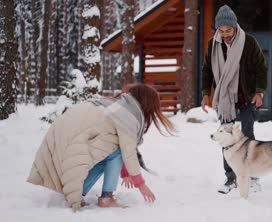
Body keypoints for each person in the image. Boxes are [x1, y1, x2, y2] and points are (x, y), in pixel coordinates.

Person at [27, 83, 176, 211]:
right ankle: (107, 198)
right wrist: (141, 185)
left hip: (61, 137)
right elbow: (126, 151)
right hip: (72, 139)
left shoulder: (114, 106)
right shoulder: (127, 116)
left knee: (110, 152)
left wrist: (125, 173)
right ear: (147, 104)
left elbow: (117, 143)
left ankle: (79, 190)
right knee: (116, 151)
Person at [201, 5, 268, 194]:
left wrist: (258, 92)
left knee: (247, 135)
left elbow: (261, 69)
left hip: (246, 95)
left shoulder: (248, 42)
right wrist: (206, 93)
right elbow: (207, 70)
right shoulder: (212, 44)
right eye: (220, 31)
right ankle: (230, 178)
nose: (224, 34)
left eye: (228, 30)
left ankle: (252, 176)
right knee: (225, 138)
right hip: (224, 99)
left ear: (235, 27)